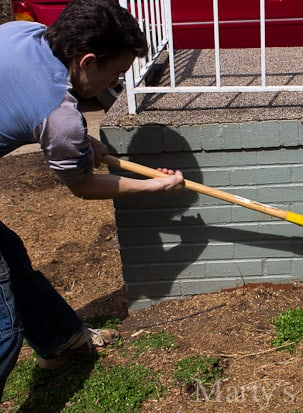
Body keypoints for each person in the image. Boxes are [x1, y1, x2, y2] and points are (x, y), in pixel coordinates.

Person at [0, 0, 185, 397]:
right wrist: (153, 187)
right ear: (86, 61)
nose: (114, 84)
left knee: (10, 257)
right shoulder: (58, 115)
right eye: (116, 73)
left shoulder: (23, 34)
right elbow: (83, 186)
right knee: (2, 329)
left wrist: (84, 141)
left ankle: (59, 339)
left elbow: (19, 101)